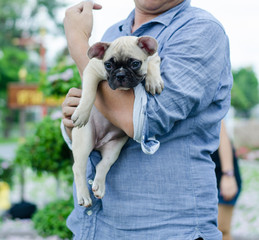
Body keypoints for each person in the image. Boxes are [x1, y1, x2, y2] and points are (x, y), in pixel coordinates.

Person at [61, 0, 233, 239]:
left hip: (165, 228)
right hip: (96, 226)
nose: (120, 74)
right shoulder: (114, 33)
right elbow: (106, 111)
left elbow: (142, 120)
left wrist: (78, 41)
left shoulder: (200, 29)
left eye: (132, 65)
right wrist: (77, 119)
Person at [211, 121, 242, 240]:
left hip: (222, 174)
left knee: (221, 231)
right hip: (199, 174)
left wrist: (228, 174)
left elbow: (222, 135)